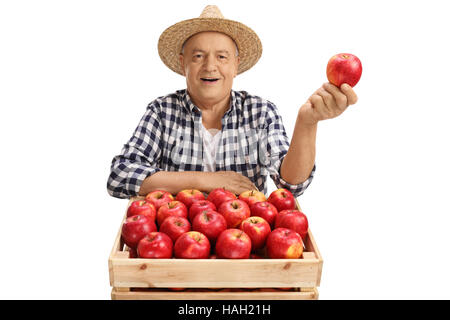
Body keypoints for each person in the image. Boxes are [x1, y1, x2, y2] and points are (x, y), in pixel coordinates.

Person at [107, 5, 358, 199]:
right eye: (198, 56)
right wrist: (207, 181)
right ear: (183, 64)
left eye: (222, 56)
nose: (210, 66)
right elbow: (120, 176)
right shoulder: (162, 112)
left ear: (235, 66)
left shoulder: (260, 112)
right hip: (175, 246)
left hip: (245, 244)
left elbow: (292, 184)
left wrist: (308, 122)